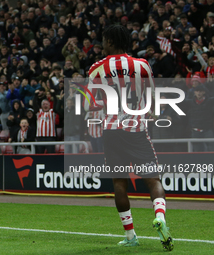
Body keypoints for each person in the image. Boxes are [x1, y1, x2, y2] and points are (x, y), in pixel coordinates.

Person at [88, 25, 173, 250]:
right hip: (136, 128)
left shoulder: (97, 68)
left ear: (111, 42)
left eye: (104, 40)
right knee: (153, 179)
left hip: (111, 131)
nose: (102, 44)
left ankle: (130, 236)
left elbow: (92, 103)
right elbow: (151, 94)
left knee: (119, 183)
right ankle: (160, 218)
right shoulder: (142, 65)